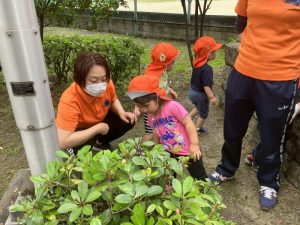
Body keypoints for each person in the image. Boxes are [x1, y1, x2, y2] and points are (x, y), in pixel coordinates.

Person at [209, 0, 300, 211]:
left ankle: (269, 182)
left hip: (281, 78)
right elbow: (241, 22)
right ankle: (227, 168)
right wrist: (255, 52)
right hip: (243, 72)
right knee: (232, 129)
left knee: (272, 137)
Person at [128, 74, 207, 180]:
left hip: (188, 150)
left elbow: (188, 123)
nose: (144, 110)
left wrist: (194, 144)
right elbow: (156, 131)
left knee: (199, 176)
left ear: (157, 97)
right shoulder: (150, 116)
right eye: (139, 107)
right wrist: (157, 148)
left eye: (146, 106)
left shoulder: (172, 106)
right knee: (168, 178)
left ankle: (205, 192)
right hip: (168, 152)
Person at [56, 52, 137, 154]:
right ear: (79, 79)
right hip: (80, 129)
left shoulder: (108, 84)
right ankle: (79, 149)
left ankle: (99, 142)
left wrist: (121, 112)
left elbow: (112, 100)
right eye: (94, 81)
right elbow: (63, 141)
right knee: (82, 146)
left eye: (104, 79)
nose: (101, 85)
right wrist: (97, 129)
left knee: (128, 120)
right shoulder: (70, 100)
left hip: (99, 121)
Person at [133, 42, 180, 142]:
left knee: (158, 130)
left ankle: (156, 150)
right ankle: (141, 152)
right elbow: (140, 91)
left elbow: (161, 85)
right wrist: (137, 107)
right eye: (173, 62)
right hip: (150, 109)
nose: (174, 64)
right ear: (166, 64)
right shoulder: (151, 75)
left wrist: (169, 90)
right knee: (150, 132)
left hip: (158, 106)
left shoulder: (160, 71)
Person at [188, 36, 222, 134]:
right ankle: (196, 130)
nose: (216, 53)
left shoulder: (196, 64)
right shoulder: (207, 69)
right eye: (214, 51)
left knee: (199, 107)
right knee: (203, 114)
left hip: (192, 92)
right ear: (209, 55)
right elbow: (206, 86)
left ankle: (189, 117)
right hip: (200, 95)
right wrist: (211, 97)